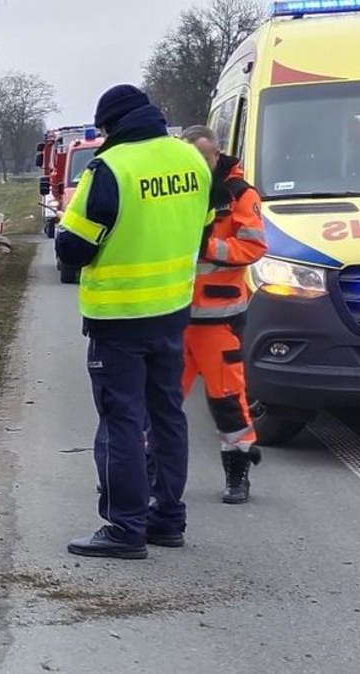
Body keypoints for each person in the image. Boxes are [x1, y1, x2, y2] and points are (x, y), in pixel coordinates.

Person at [56, 84, 213, 560]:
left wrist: (69, 229)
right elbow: (202, 226)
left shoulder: (110, 169)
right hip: (172, 313)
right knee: (167, 415)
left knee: (121, 422)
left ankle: (125, 527)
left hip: (120, 319)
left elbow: (73, 248)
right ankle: (168, 519)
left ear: (111, 126)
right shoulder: (191, 160)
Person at [179, 125, 269, 504]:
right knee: (159, 399)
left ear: (218, 155)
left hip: (219, 318)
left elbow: (252, 247)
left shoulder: (239, 196)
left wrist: (207, 245)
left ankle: (238, 474)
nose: (199, 165)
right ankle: (149, 472)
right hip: (175, 315)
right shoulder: (178, 191)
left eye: (205, 157)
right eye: (192, 158)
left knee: (227, 398)